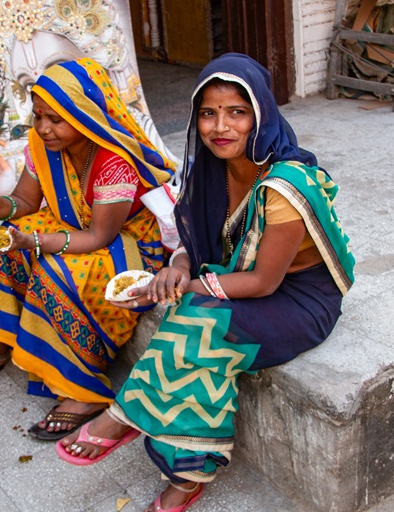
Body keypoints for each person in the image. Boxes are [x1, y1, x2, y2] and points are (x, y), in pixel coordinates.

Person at [56, 53, 355, 512]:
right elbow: (199, 243)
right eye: (208, 113)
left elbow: (261, 282)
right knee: (193, 329)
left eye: (237, 112)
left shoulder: (286, 186)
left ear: (261, 115)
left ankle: (126, 416)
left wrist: (187, 287)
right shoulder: (215, 167)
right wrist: (178, 264)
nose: (221, 127)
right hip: (247, 284)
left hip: (300, 301)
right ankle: (190, 472)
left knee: (198, 318)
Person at [0, 58, 176, 441]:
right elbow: (23, 200)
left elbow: (99, 238)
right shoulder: (43, 146)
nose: (44, 128)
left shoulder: (112, 162)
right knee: (8, 248)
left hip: (129, 240)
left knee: (56, 272)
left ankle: (81, 391)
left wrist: (34, 241)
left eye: (56, 118)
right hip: (76, 227)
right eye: (38, 117)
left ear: (84, 116)